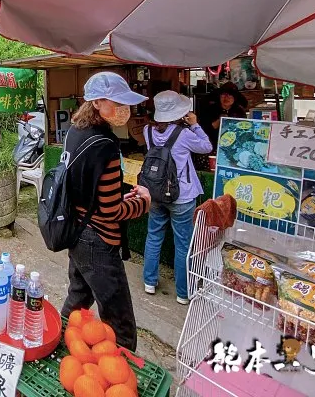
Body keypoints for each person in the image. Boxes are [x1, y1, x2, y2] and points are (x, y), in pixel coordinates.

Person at [60, 72, 151, 351]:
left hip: (76, 232)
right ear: (97, 103)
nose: (126, 110)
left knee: (78, 298)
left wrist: (116, 194)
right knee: (119, 318)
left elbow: (91, 191)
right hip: (99, 240)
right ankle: (122, 373)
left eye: (127, 103)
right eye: (118, 102)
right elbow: (110, 210)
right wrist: (142, 202)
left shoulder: (75, 133)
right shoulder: (106, 146)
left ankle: (59, 341)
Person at [142, 91, 213, 305]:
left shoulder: (147, 131)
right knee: (183, 244)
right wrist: (195, 125)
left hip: (154, 192)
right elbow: (207, 147)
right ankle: (183, 292)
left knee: (154, 236)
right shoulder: (184, 134)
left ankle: (149, 282)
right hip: (180, 196)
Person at [203, 82, 248, 150]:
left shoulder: (239, 111)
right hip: (212, 146)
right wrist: (219, 121)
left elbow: (243, 129)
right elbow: (203, 130)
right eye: (223, 94)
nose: (226, 97)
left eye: (230, 95)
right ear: (219, 96)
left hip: (233, 146)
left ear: (234, 98)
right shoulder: (210, 109)